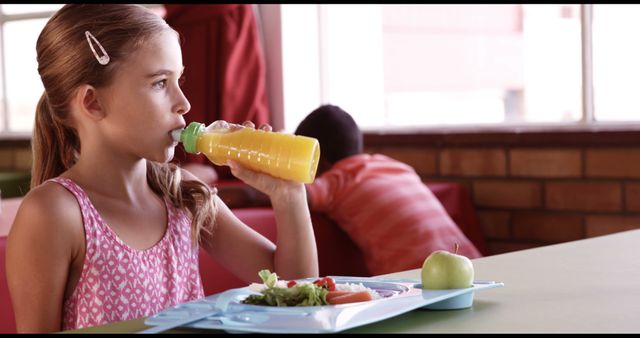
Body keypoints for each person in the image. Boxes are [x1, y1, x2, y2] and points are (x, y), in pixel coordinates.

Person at [5, 4, 317, 333]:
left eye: (179, 79)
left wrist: (288, 195)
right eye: (159, 83)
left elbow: (296, 295)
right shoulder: (54, 214)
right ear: (92, 103)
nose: (184, 103)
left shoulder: (184, 195)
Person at [295, 104, 482, 276]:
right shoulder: (394, 166)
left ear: (316, 161)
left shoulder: (338, 180)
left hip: (419, 278)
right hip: (472, 266)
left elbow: (292, 193)